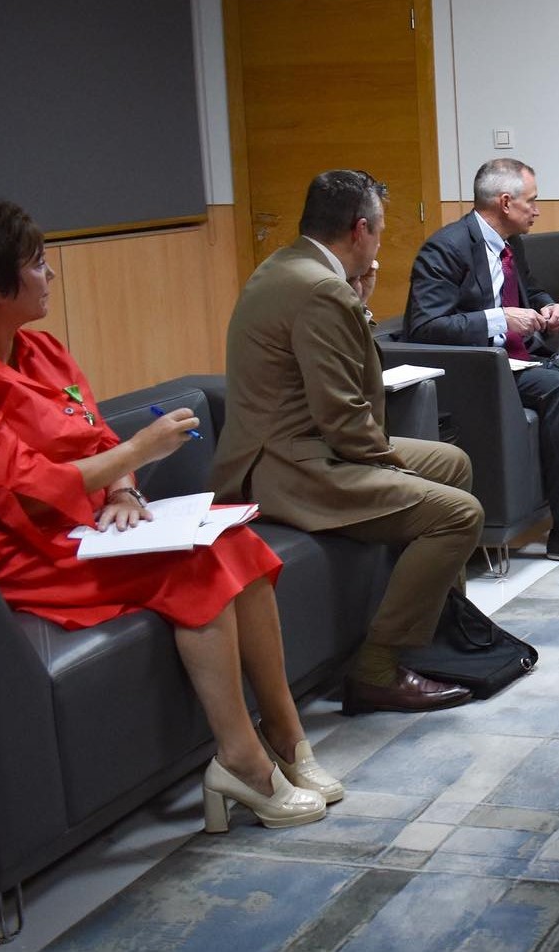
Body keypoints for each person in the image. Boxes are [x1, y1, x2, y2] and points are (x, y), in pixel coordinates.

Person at [0, 201, 332, 833]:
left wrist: (125, 489)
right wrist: (139, 452)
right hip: (6, 556)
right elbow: (27, 495)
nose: (51, 275)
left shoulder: (40, 349)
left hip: (78, 530)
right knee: (197, 570)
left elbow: (94, 436)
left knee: (237, 544)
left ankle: (288, 738)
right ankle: (241, 761)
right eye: (37, 265)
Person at [212, 170, 480, 716]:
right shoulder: (320, 289)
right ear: (360, 230)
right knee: (458, 514)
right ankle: (378, 668)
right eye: (380, 230)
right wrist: (392, 468)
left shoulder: (288, 266)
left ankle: (441, 630)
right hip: (289, 466)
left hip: (303, 446)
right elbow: (343, 413)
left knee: (451, 463)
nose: (380, 242)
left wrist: (359, 303)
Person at [403, 158, 559, 563]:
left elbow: (530, 288)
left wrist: (550, 307)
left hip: (520, 359)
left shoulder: (511, 244)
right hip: (478, 368)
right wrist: (499, 319)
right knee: (558, 387)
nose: (537, 210)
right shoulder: (446, 248)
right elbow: (424, 326)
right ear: (505, 202)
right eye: (531, 201)